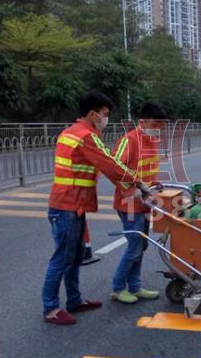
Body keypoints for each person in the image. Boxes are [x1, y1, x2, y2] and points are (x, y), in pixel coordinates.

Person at [42, 92, 143, 325]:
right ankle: (50, 309)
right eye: (105, 114)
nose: (107, 119)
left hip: (69, 205)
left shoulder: (70, 132)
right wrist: (136, 181)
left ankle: (75, 300)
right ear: (93, 114)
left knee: (75, 257)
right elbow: (109, 164)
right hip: (67, 206)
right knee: (61, 259)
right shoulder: (87, 136)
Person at [110, 102, 167, 303]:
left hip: (144, 203)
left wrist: (154, 183)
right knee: (135, 246)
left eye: (161, 126)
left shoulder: (151, 141)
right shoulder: (129, 140)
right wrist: (131, 190)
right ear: (142, 121)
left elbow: (145, 171)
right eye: (155, 125)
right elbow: (113, 168)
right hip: (129, 203)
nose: (158, 129)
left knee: (141, 246)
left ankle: (135, 286)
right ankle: (118, 288)